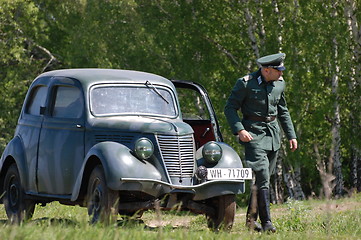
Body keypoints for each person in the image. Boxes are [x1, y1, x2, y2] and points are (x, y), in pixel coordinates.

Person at [224, 53, 298, 232]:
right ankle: (267, 223)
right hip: (253, 134)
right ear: (266, 70)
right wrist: (240, 130)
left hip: (273, 135)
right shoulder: (245, 83)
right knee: (263, 175)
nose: (281, 74)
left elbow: (283, 110)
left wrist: (291, 135)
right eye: (278, 71)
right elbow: (230, 108)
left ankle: (251, 221)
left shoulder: (279, 84)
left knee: (263, 179)